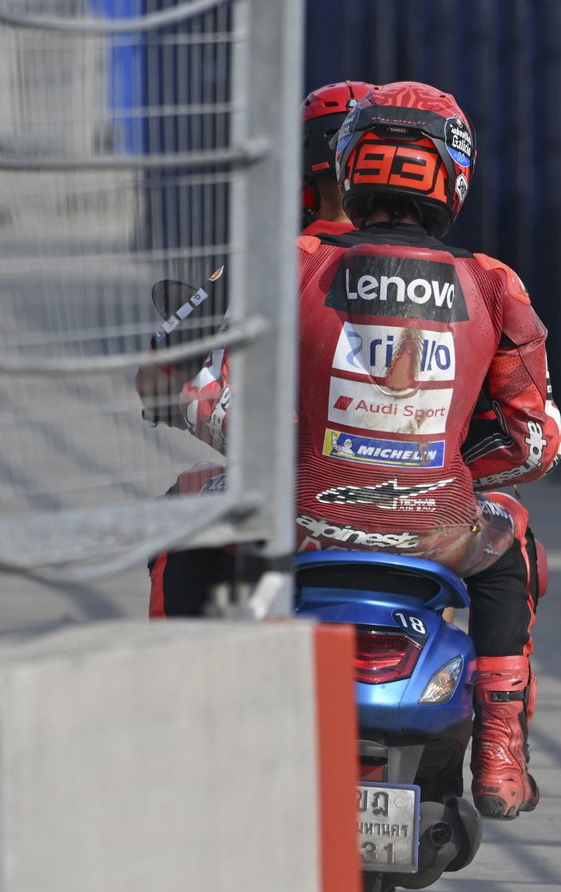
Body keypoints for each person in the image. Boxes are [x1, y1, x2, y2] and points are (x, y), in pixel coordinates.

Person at [296, 80, 561, 818]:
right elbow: (535, 444)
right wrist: (438, 464)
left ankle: (178, 720)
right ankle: (501, 749)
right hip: (436, 531)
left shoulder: (293, 260)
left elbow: (203, 392)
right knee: (513, 540)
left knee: (191, 519)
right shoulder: (493, 283)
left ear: (351, 163)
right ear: (455, 177)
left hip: (297, 523)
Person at [139, 80, 377, 617]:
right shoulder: (461, 271)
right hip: (418, 500)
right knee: (506, 529)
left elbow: (158, 374)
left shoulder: (268, 261)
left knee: (184, 505)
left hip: (292, 492)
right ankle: (502, 670)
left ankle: (176, 661)